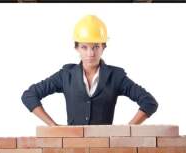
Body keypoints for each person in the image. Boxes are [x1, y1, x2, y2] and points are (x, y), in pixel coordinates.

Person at [21, 15, 158, 126]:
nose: (90, 53)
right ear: (77, 48)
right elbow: (29, 96)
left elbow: (149, 102)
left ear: (103, 47)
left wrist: (127, 130)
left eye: (96, 47)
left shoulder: (116, 77)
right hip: (73, 148)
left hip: (104, 148)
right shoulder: (65, 75)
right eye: (84, 47)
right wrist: (53, 127)